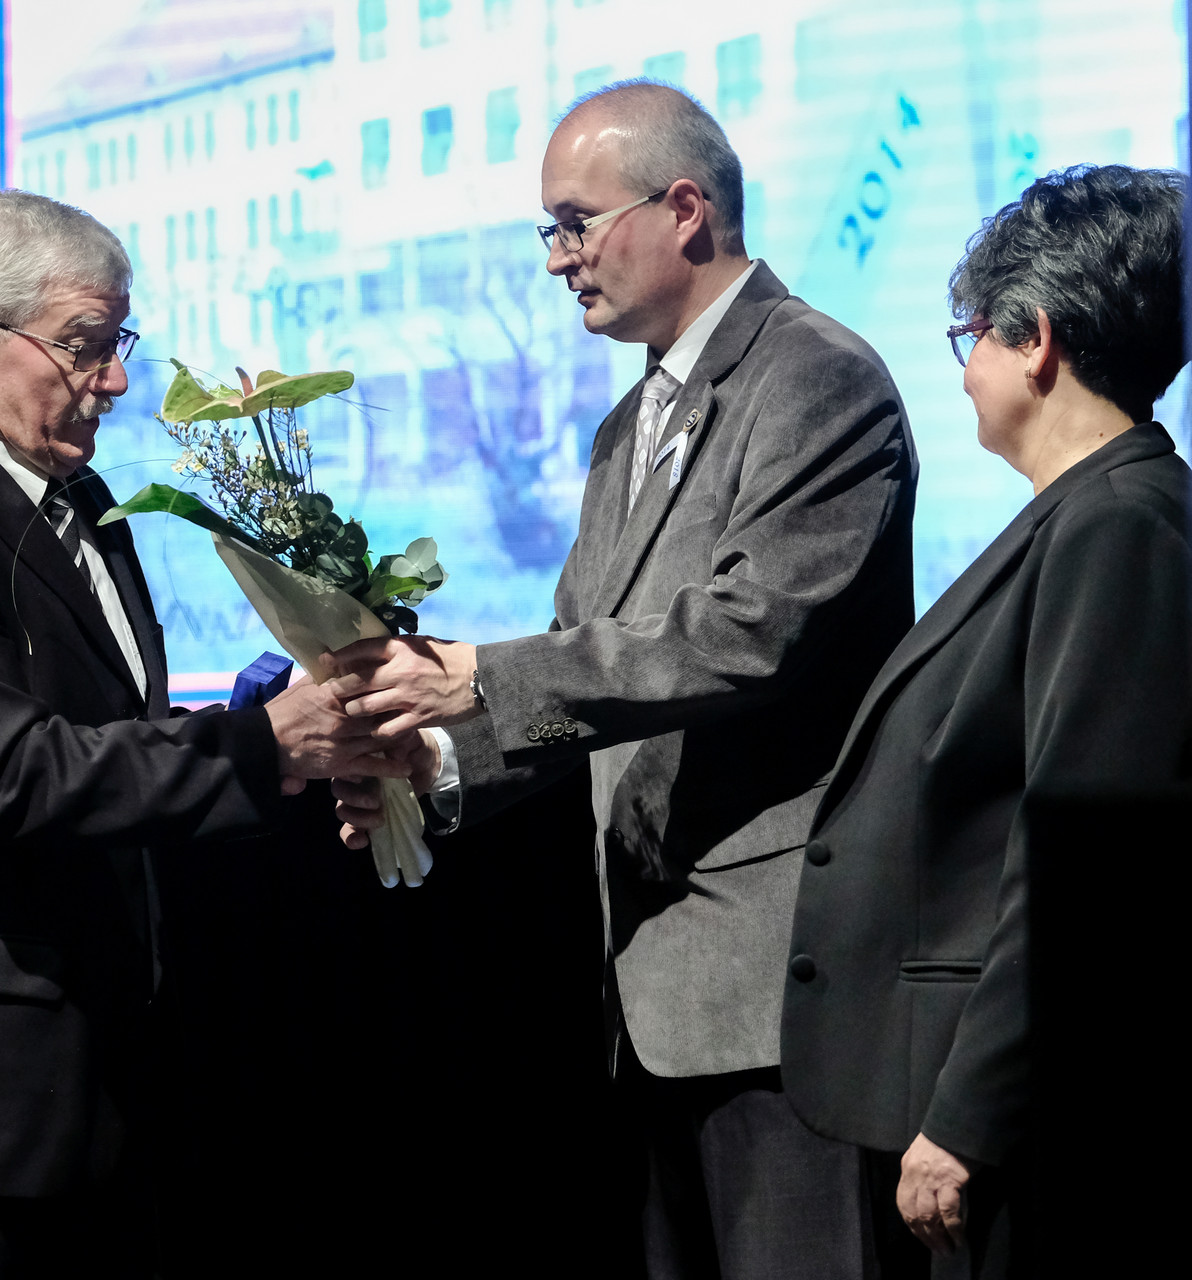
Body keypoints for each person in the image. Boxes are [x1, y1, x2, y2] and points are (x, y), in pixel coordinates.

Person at [330, 82, 917, 1277]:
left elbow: (745, 633)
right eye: (549, 230)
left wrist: (473, 675)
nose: (557, 258)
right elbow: (578, 667)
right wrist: (421, 765)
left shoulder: (818, 377)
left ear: (684, 208)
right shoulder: (624, 426)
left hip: (780, 1000)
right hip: (649, 999)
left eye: (574, 222)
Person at [0, 189, 402, 1279]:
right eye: (85, 344)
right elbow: (16, 774)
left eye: (120, 341)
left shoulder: (73, 503)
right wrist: (262, 746)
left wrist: (248, 720)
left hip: (99, 1090)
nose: (116, 380)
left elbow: (103, 734)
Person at [780, 165, 1192, 1278]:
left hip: (1012, 1127)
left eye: (971, 337)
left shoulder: (1119, 524)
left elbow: (1083, 860)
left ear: (1036, 342)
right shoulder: (1091, 515)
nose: (963, 371)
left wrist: (967, 1117)